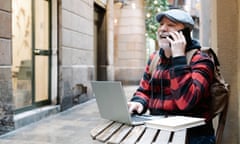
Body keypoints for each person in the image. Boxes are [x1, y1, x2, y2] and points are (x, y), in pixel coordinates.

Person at [128, 9, 216, 144]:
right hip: (159, 130)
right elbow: (144, 91)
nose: (163, 29)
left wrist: (179, 58)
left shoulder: (201, 60)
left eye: (171, 24)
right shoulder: (154, 58)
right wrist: (139, 102)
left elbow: (186, 102)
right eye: (161, 24)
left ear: (185, 33)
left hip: (193, 136)